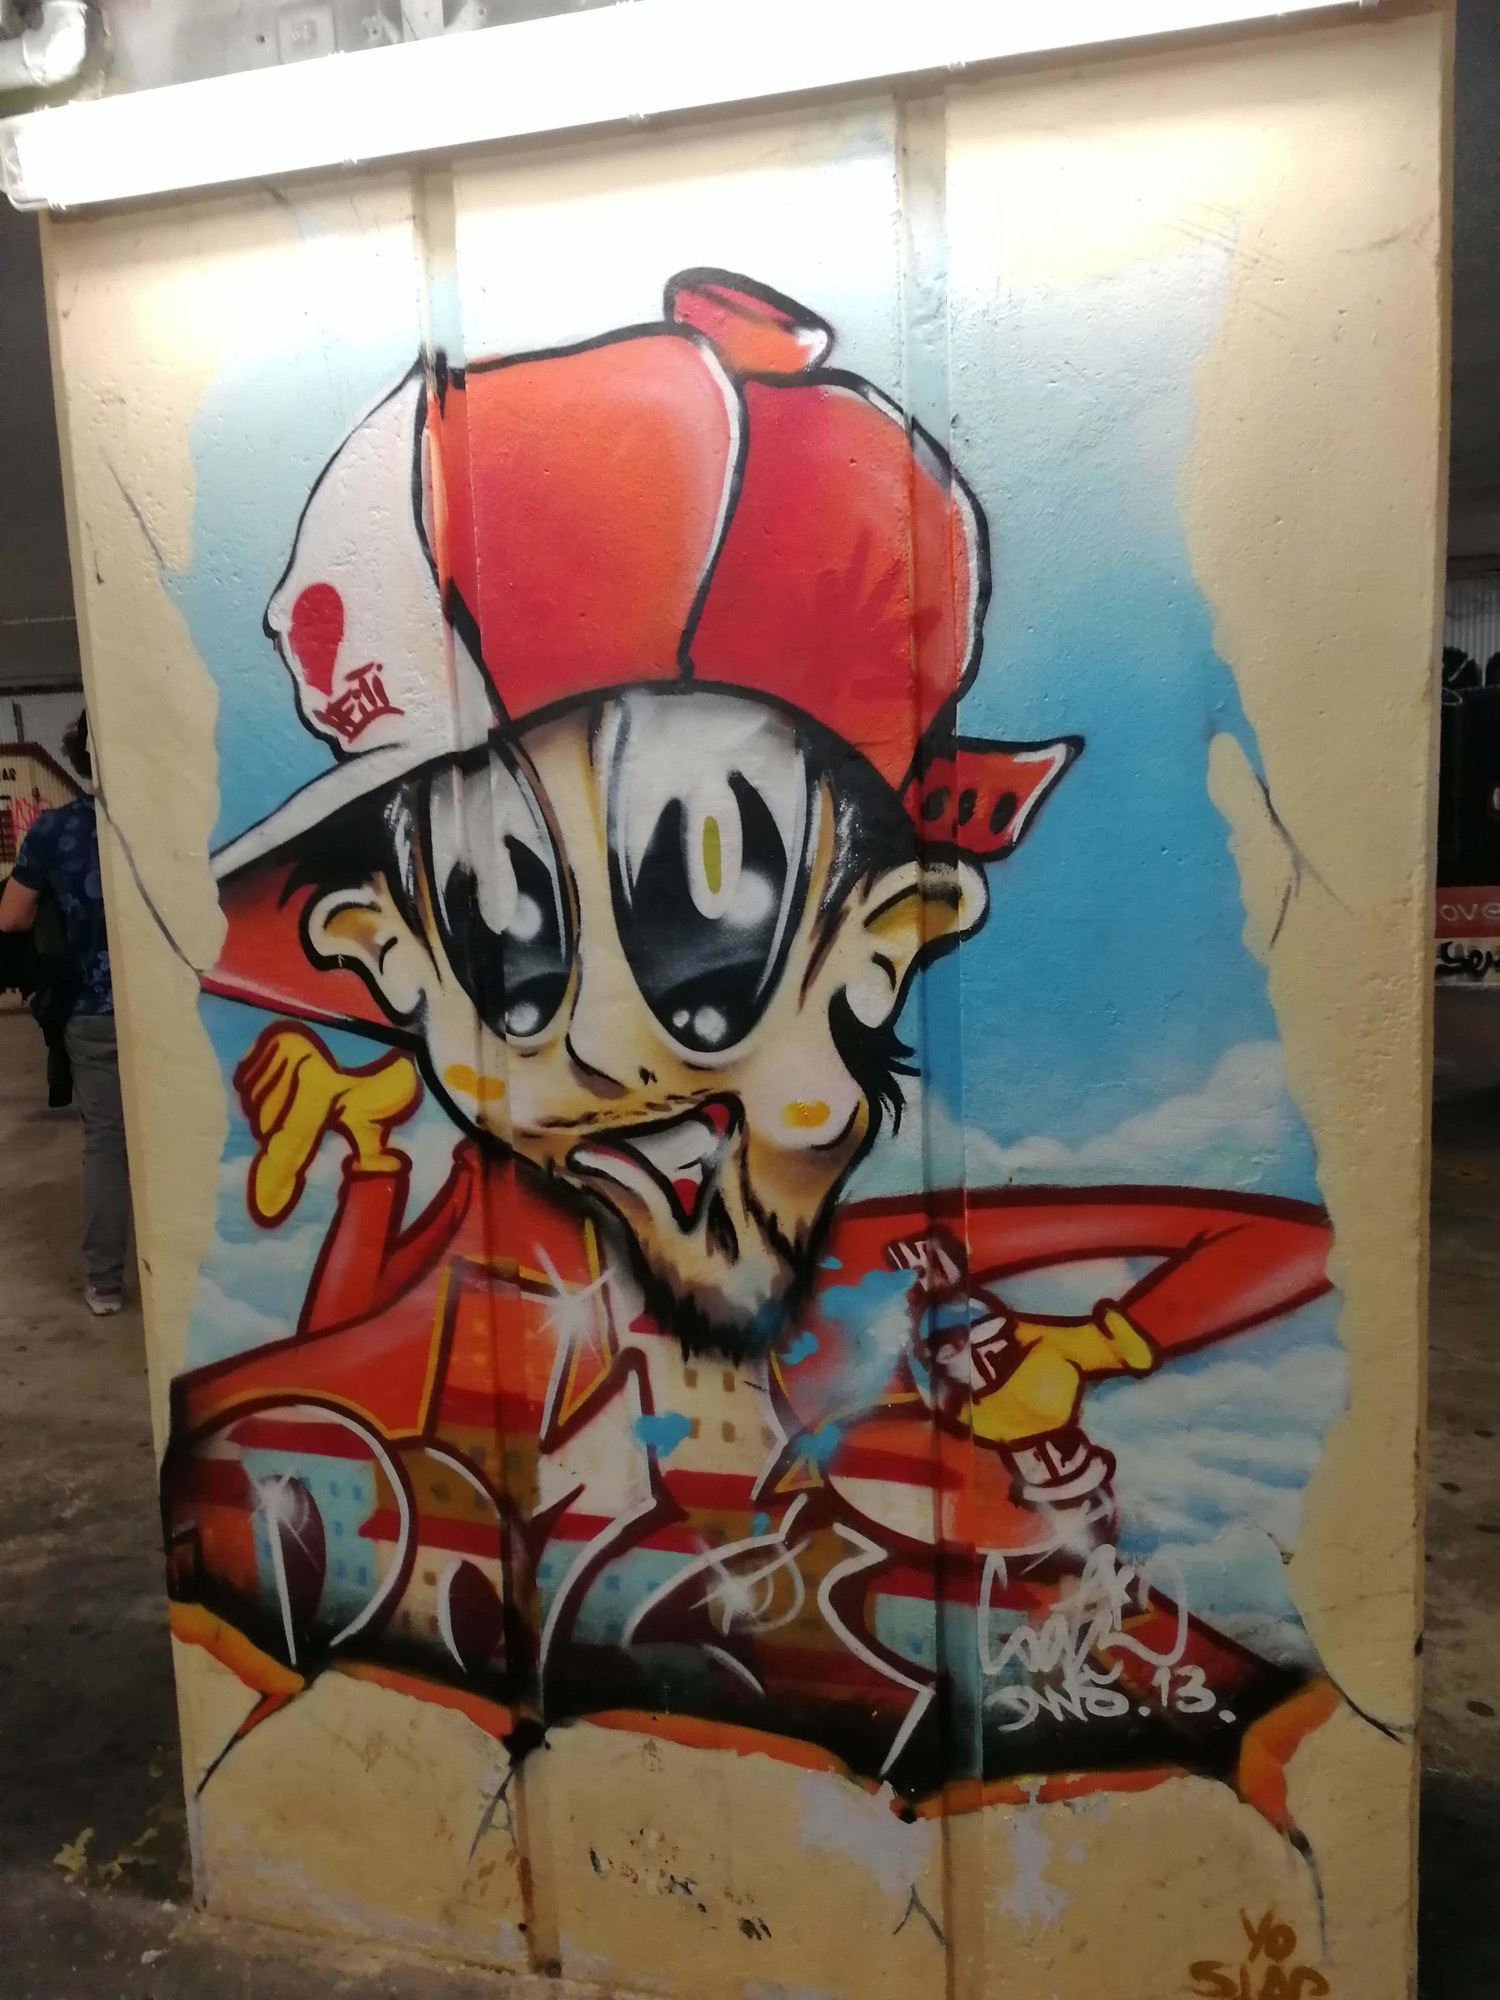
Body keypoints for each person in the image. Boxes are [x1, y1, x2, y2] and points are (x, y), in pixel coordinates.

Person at [162, 272, 1333, 1816]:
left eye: (704, 955)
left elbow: (1273, 1246)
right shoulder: (528, 1234)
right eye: (510, 955)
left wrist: (1088, 1348)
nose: (605, 1061)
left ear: (885, 945)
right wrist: (372, 1170)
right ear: (393, 961)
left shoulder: (893, 1261)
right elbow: (356, 1390)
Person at [0, 711, 128, 1313]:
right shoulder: (169, 823)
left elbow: (10, 917)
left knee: (106, 1142)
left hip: (92, 1007)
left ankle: (105, 1283)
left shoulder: (54, 831)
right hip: (175, 1010)